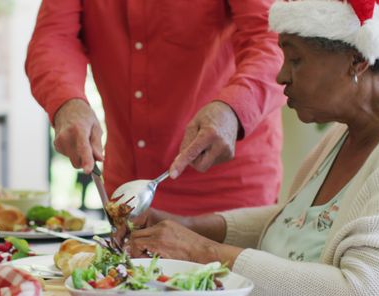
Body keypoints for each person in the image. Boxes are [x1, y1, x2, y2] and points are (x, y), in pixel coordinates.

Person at [128, 0, 379, 296]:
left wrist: (202, 252)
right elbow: (297, 224)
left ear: (357, 60)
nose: (281, 76)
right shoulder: (348, 131)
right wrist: (191, 227)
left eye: (295, 59)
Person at [26, 1, 286, 215]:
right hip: (130, 192)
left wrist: (233, 108)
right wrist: (67, 103)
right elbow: (54, 37)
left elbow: (271, 38)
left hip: (227, 193)